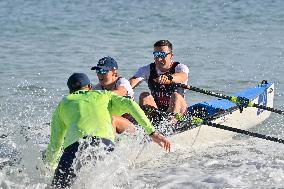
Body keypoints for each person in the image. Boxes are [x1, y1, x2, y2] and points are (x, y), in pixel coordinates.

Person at [45, 73, 171, 188]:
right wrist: (152, 133)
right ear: (90, 87)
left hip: (75, 148)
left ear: (70, 91)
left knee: (57, 186)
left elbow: (55, 144)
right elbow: (131, 104)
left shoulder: (63, 103)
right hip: (104, 145)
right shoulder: (103, 94)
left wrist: (49, 167)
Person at [129, 40, 189, 118]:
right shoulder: (147, 69)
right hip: (158, 110)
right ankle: (148, 125)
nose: (159, 59)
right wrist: (121, 89)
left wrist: (170, 78)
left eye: (162, 55)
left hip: (180, 111)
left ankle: (173, 124)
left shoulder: (180, 67)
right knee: (144, 95)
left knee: (175, 96)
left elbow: (182, 76)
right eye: (156, 55)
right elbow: (132, 83)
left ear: (171, 55)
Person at [91, 56, 135, 134]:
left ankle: (110, 145)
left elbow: (120, 92)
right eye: (98, 71)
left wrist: (100, 96)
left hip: (131, 125)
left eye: (103, 71)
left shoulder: (122, 82)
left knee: (112, 119)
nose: (100, 74)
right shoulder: (97, 88)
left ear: (114, 73)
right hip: (111, 124)